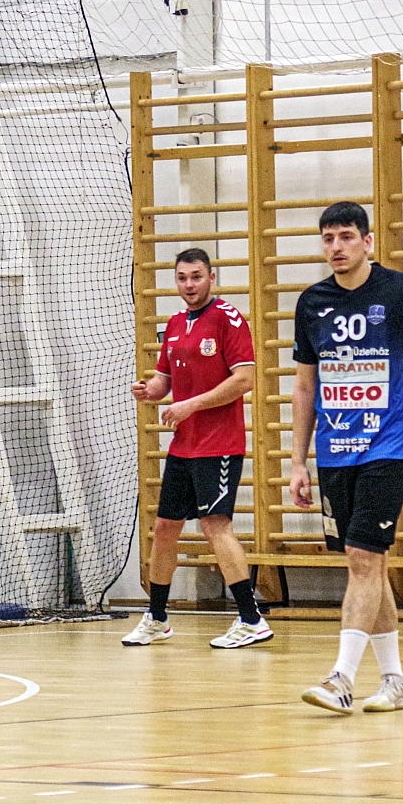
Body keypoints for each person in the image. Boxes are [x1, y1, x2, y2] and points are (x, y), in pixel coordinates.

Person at [289, 201, 403, 714]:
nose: (337, 247)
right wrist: (298, 462)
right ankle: (395, 680)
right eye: (328, 238)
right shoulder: (312, 302)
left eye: (346, 236)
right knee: (369, 562)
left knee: (362, 557)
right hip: (336, 449)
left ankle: (341, 679)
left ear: (367, 242)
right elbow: (305, 388)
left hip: (391, 443)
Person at [125, 248, 270, 649]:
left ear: (211, 278)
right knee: (165, 528)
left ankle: (251, 619)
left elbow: (244, 380)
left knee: (214, 525)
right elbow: (164, 381)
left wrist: (190, 405)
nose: (189, 285)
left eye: (196, 276)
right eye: (182, 278)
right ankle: (157, 617)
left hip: (218, 444)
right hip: (184, 446)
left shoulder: (228, 319)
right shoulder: (174, 324)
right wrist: (149, 390)